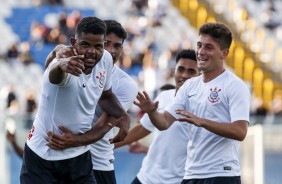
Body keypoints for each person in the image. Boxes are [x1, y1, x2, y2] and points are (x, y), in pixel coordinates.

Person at [134, 22, 251, 184]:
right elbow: (164, 122)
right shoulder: (190, 86)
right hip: (191, 174)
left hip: (221, 174)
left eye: (209, 47)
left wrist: (202, 121)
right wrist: (151, 112)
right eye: (199, 45)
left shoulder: (235, 85)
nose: (201, 52)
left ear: (224, 53)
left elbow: (240, 131)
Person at [20, 16, 131, 184]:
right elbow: (55, 75)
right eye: (85, 44)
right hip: (43, 157)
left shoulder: (106, 60)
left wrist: (123, 116)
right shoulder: (65, 64)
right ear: (74, 42)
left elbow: (106, 96)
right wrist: (61, 65)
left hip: (78, 157)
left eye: (98, 46)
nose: (91, 52)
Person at [115, 49, 199, 184]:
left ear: (200, 75)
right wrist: (109, 146)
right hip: (145, 177)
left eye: (191, 72)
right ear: (174, 71)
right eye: (181, 69)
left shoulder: (203, 108)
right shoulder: (164, 96)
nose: (184, 75)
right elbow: (143, 128)